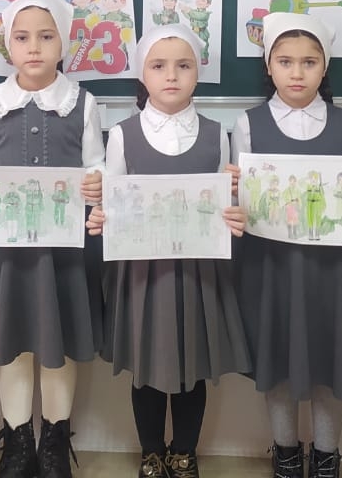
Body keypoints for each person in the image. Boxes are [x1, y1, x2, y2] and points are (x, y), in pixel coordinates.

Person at [0, 0, 104, 478]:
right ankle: (17, 442)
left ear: (63, 44)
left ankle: (54, 441)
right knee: (10, 341)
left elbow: (97, 164)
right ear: (7, 46)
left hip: (63, 250)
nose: (34, 47)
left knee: (59, 343)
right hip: (6, 251)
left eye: (46, 36)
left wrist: (97, 183)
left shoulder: (83, 102)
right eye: (22, 37)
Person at [231, 13, 342, 478]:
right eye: (285, 62)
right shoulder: (248, 123)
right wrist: (232, 190)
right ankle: (284, 452)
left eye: (309, 62)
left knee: (330, 359)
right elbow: (242, 199)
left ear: (325, 67)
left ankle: (326, 455)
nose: (297, 73)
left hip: (333, 266)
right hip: (271, 263)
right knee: (277, 358)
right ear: (269, 67)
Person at [88, 24, 249, 478]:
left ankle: (184, 452)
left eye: (183, 66)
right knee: (147, 366)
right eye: (158, 66)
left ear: (198, 72)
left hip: (198, 269)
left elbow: (226, 201)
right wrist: (101, 216)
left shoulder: (217, 134)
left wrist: (235, 208)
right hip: (143, 272)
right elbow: (113, 198)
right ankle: (151, 452)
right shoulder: (123, 134)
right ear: (143, 74)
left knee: (192, 364)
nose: (172, 76)